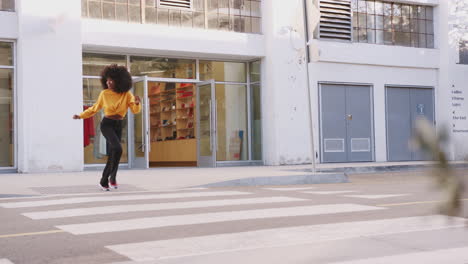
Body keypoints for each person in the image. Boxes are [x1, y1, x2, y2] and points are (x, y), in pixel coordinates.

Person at [73, 64, 141, 191]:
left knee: (114, 153)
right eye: (107, 80)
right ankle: (106, 179)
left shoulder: (126, 95)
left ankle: (110, 179)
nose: (108, 82)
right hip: (107, 124)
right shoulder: (104, 94)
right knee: (117, 148)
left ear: (119, 81)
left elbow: (135, 110)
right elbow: (94, 109)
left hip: (119, 124)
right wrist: (80, 115)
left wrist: (137, 104)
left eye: (112, 80)